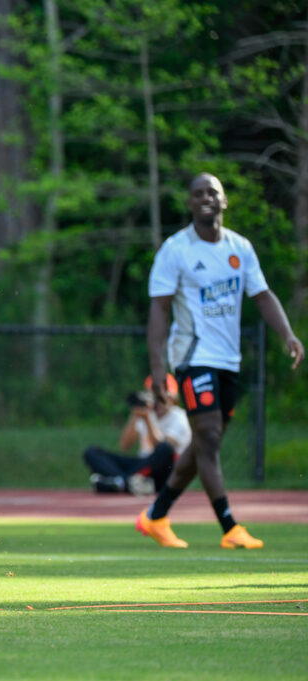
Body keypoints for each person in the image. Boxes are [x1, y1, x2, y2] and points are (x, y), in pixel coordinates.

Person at [137, 172, 304, 549]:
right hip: (193, 358)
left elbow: (262, 295)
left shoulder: (239, 248)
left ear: (224, 200)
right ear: (190, 203)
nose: (205, 198)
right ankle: (230, 527)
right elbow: (159, 313)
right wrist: (160, 371)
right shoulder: (175, 250)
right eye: (197, 193)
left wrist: (287, 334)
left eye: (212, 191)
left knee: (203, 445)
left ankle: (155, 516)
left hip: (229, 361)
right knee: (209, 439)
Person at [84, 374, 191, 496]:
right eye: (155, 397)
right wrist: (135, 415)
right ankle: (125, 483)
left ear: (173, 399)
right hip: (141, 465)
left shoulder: (180, 418)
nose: (159, 402)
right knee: (92, 452)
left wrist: (148, 420)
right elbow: (124, 446)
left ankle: (120, 482)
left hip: (164, 471)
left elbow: (162, 447)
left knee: (165, 449)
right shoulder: (145, 412)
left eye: (163, 397)